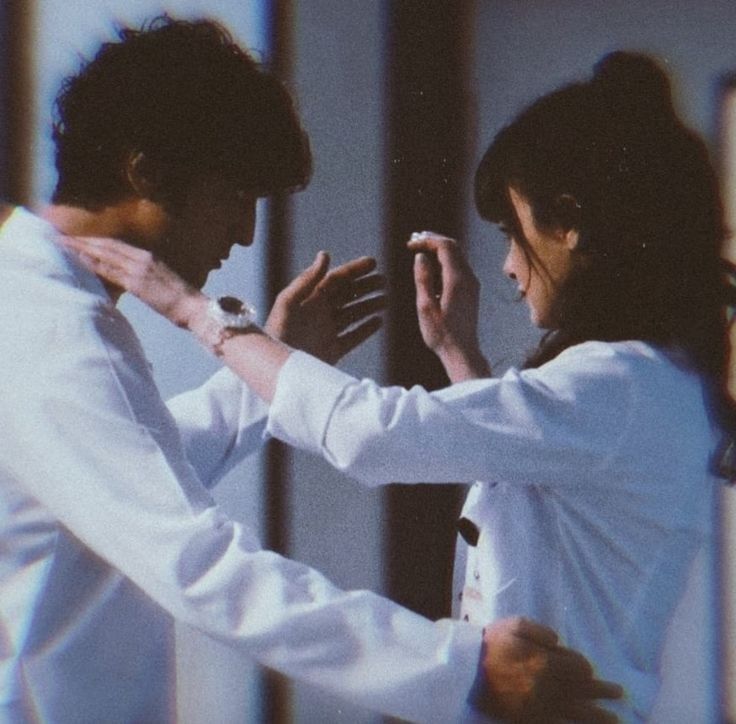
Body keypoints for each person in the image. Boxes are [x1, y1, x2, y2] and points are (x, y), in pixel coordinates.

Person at [69, 50, 735, 722]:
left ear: (568, 221)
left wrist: (204, 317)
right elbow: (541, 490)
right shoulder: (646, 384)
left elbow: (370, 434)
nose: (507, 266)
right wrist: (458, 354)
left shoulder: (618, 382)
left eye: (513, 230)